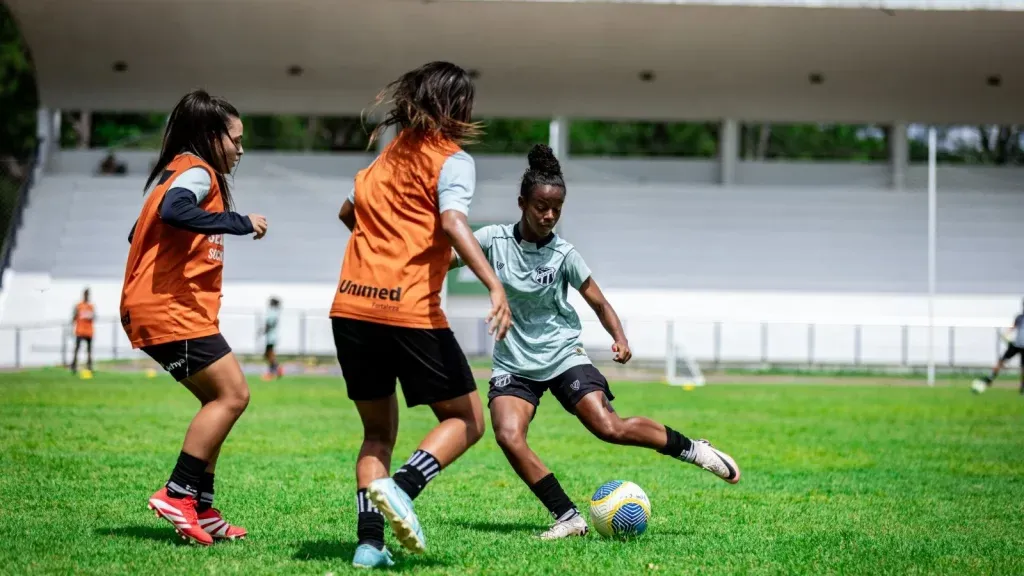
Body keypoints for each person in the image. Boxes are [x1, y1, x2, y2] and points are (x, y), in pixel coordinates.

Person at [450, 144, 741, 540]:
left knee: (608, 427)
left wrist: (619, 338)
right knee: (508, 435)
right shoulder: (492, 240)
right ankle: (567, 516)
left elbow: (599, 302)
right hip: (514, 362)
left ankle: (694, 449)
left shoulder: (564, 254)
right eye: (540, 206)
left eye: (556, 208)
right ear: (522, 202)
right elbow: (441, 257)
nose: (549, 215)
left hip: (563, 354)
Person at [331, 61, 511, 568]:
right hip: (408, 310)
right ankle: (404, 488)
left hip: (350, 307)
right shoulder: (451, 159)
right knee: (468, 419)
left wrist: (384, 244)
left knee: (377, 434)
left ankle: (369, 547)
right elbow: (452, 222)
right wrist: (494, 285)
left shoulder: (386, 156)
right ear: (457, 107)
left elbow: (348, 213)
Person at [120, 89, 268, 546]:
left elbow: (138, 232)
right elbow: (173, 210)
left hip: (167, 309)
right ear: (210, 135)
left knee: (218, 402)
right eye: (235, 139)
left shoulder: (178, 170)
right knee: (233, 395)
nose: (240, 149)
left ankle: (201, 508)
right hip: (171, 311)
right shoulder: (197, 172)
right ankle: (178, 493)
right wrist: (239, 223)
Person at [972, 300, 1024, 394]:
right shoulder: (1019, 317)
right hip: (1016, 344)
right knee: (1001, 361)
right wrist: (1006, 334)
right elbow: (1013, 328)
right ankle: (990, 378)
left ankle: (1022, 387)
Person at [70, 288, 95, 373]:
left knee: (89, 351)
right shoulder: (78, 306)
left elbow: (94, 317)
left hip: (89, 332)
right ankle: (73, 366)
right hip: (80, 331)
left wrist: (90, 316)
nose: (87, 296)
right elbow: (73, 318)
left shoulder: (91, 306)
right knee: (77, 349)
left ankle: (89, 367)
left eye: (88, 294)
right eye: (86, 294)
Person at [262, 297, 283, 380]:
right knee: (268, 354)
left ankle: (274, 371)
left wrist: (263, 330)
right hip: (272, 336)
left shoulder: (272, 312)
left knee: (269, 355)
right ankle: (276, 370)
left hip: (271, 337)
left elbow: (269, 323)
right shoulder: (276, 312)